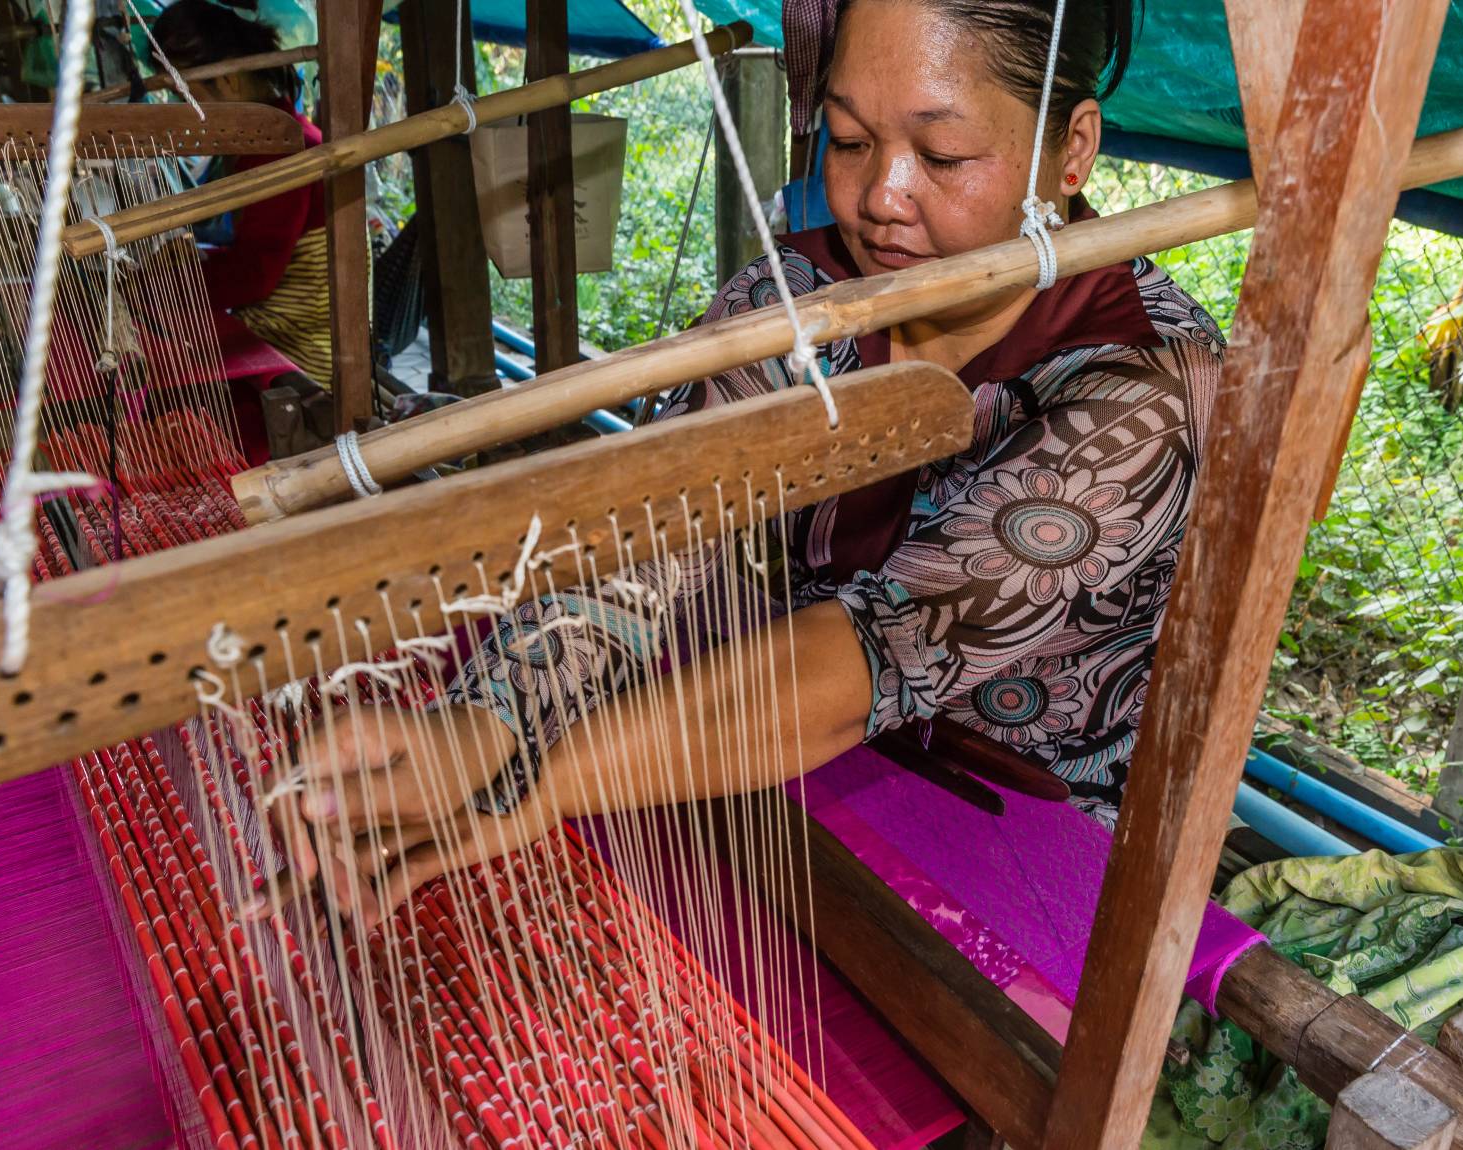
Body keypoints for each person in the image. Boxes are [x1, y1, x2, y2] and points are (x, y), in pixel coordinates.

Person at [268, 0, 1222, 926]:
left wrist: (541, 787)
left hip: (1028, 851)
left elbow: (866, 655)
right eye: (848, 141)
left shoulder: (1148, 379)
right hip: (772, 772)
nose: (880, 198)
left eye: (942, 155)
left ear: (1075, 148)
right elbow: (646, 538)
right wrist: (484, 726)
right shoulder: (793, 300)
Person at [153, 0, 334, 386]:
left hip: (302, 367)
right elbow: (262, 249)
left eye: (185, 95)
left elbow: (257, 274)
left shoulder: (281, 146)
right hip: (289, 337)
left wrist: (162, 291)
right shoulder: (277, 137)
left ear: (229, 82)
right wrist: (191, 265)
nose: (183, 110)